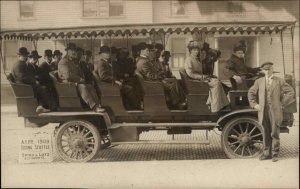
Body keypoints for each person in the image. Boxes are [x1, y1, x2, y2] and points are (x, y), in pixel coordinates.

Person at [248, 62, 295, 162]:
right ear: (263, 71)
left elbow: (291, 92)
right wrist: (255, 104)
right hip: (263, 110)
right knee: (265, 132)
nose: (267, 71)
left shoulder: (279, 81)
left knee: (274, 133)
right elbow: (251, 93)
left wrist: (282, 104)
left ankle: (274, 154)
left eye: (269, 69)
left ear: (272, 69)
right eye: (265, 70)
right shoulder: (259, 81)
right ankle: (266, 154)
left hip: (275, 111)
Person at [136, 42, 186, 109]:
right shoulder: (143, 62)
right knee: (173, 84)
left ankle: (181, 101)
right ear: (142, 50)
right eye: (147, 50)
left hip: (154, 81)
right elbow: (150, 76)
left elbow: (152, 73)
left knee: (175, 81)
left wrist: (160, 74)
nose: (149, 52)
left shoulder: (145, 60)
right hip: (152, 84)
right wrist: (160, 77)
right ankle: (176, 103)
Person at [58, 43, 104, 113]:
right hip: (67, 84)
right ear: (67, 51)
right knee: (82, 87)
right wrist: (80, 79)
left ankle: (98, 105)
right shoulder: (63, 61)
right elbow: (67, 75)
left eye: (74, 50)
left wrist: (81, 78)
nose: (74, 52)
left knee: (90, 86)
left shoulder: (73, 61)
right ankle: (94, 107)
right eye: (71, 50)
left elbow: (79, 72)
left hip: (74, 82)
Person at [184, 40, 229, 113]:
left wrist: (207, 76)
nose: (196, 52)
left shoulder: (197, 60)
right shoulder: (188, 60)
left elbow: (201, 71)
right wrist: (202, 77)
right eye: (194, 50)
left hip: (201, 79)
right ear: (190, 51)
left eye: (197, 50)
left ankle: (222, 104)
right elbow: (190, 74)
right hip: (196, 82)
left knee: (217, 81)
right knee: (216, 84)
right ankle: (215, 107)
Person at [12, 48, 55, 113]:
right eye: (23, 56)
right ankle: (45, 107)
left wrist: (35, 79)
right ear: (19, 56)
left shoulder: (23, 64)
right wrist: (34, 81)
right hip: (24, 87)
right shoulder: (19, 65)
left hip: (26, 85)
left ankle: (42, 106)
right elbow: (22, 77)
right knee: (43, 88)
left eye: (26, 55)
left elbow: (28, 75)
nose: (25, 57)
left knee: (43, 86)